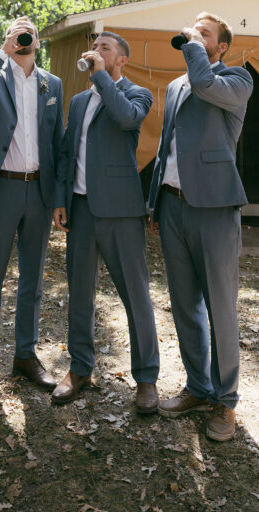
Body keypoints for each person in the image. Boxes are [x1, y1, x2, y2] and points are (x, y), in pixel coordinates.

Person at [149, 12, 253, 442]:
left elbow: (205, 84)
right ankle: (197, 386)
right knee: (185, 305)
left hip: (214, 209)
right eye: (194, 31)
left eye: (204, 34)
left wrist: (192, 46)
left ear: (221, 47)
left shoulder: (237, 80)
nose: (195, 36)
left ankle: (225, 402)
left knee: (220, 310)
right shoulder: (175, 86)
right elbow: (166, 146)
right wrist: (155, 203)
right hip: (173, 209)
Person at [52, 32, 159, 414]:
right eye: (94, 47)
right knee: (79, 295)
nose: (96, 52)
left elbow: (127, 119)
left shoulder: (137, 94)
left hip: (121, 212)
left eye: (105, 49)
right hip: (80, 211)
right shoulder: (79, 102)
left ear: (121, 61)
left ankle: (146, 379)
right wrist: (61, 200)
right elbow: (67, 152)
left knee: (136, 296)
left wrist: (100, 77)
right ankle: (80, 369)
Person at [0, 17, 64, 395]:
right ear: (8, 38)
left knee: (32, 282)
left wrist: (60, 198)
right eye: (17, 31)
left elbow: (59, 143)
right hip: (1, 189)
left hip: (39, 192)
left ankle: (25, 356)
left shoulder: (52, 84)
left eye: (28, 31)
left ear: (38, 40)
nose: (23, 36)